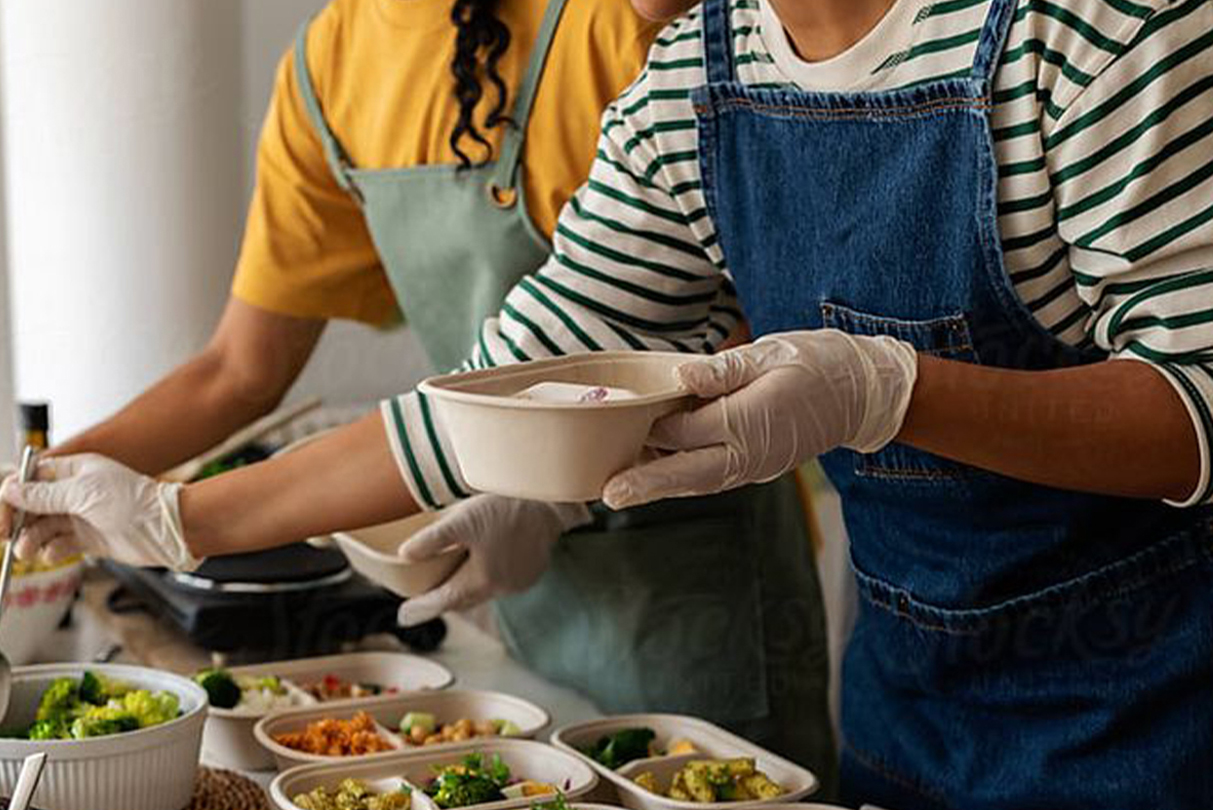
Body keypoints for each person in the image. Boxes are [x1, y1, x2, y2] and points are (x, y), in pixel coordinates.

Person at [9, 0, 1211, 805]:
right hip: (909, 698)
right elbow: (498, 387)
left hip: (1159, 707)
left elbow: (1196, 395)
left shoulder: (1100, 32)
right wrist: (176, 523)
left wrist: (883, 388)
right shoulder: (694, 72)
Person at [0, 0, 837, 788]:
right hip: (496, 553)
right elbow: (240, 370)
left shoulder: (632, 20)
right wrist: (43, 486)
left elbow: (740, 330)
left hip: (693, 565)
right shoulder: (334, 60)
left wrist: (554, 499)